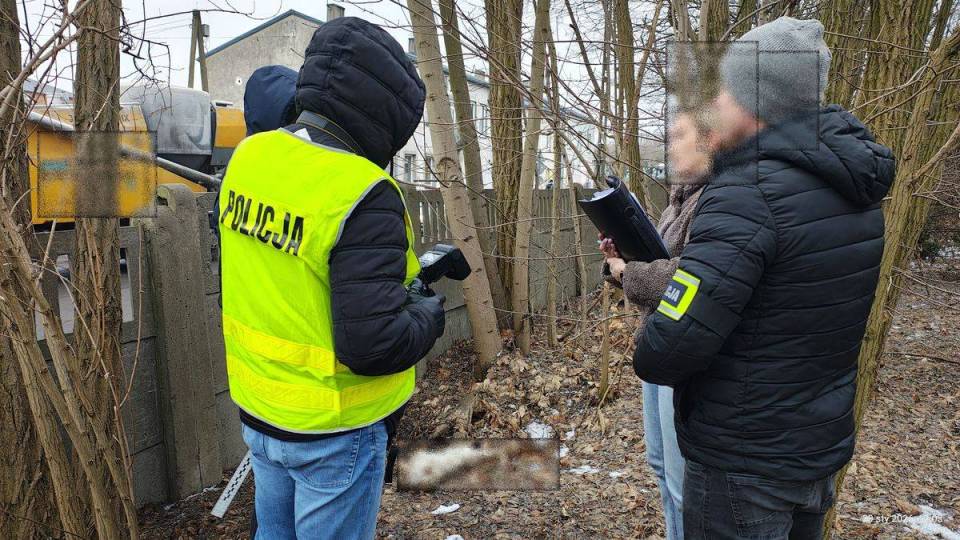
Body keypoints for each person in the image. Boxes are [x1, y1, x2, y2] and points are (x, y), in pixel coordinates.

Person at [632, 17, 895, 540]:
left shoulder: (746, 194)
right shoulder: (857, 191)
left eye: (728, 90)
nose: (718, 102)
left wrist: (649, 338)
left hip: (744, 464)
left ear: (756, 100)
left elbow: (670, 346)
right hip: (815, 452)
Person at [217, 18, 445, 540]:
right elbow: (373, 345)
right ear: (387, 115)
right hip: (334, 430)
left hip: (260, 413)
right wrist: (428, 318)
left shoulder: (250, 157)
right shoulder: (362, 189)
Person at [599, 112, 710, 540]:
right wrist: (617, 261)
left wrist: (629, 273)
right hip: (656, 346)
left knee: (682, 482)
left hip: (681, 354)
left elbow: (688, 277)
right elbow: (655, 263)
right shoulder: (677, 201)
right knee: (661, 466)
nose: (670, 146)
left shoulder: (716, 201)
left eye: (679, 136)